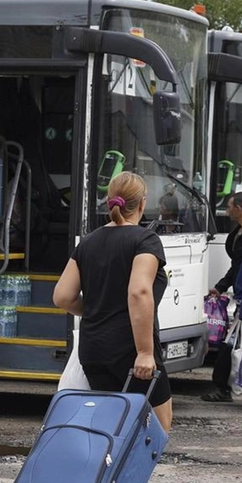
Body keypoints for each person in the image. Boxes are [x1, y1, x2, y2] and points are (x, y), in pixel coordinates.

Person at [53, 170, 174, 430]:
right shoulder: (145, 240)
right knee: (157, 429)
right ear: (142, 203)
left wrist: (95, 310)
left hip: (93, 349)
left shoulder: (88, 241)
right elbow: (139, 292)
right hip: (130, 350)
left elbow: (62, 296)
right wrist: (144, 352)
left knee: (110, 427)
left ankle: (105, 472)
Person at [203, 192, 242, 402]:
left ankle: (225, 386)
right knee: (234, 340)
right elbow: (236, 266)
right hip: (241, 292)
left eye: (229, 206)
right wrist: (221, 286)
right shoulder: (240, 232)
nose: (226, 211)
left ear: (239, 209)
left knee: (234, 342)